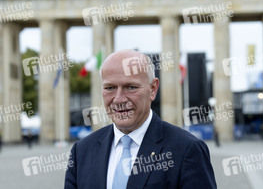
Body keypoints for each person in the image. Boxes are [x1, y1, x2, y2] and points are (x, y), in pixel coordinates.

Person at [65, 50, 216, 189]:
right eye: (110, 88)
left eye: (130, 87)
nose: (118, 99)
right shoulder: (81, 151)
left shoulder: (187, 149)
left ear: (153, 89)